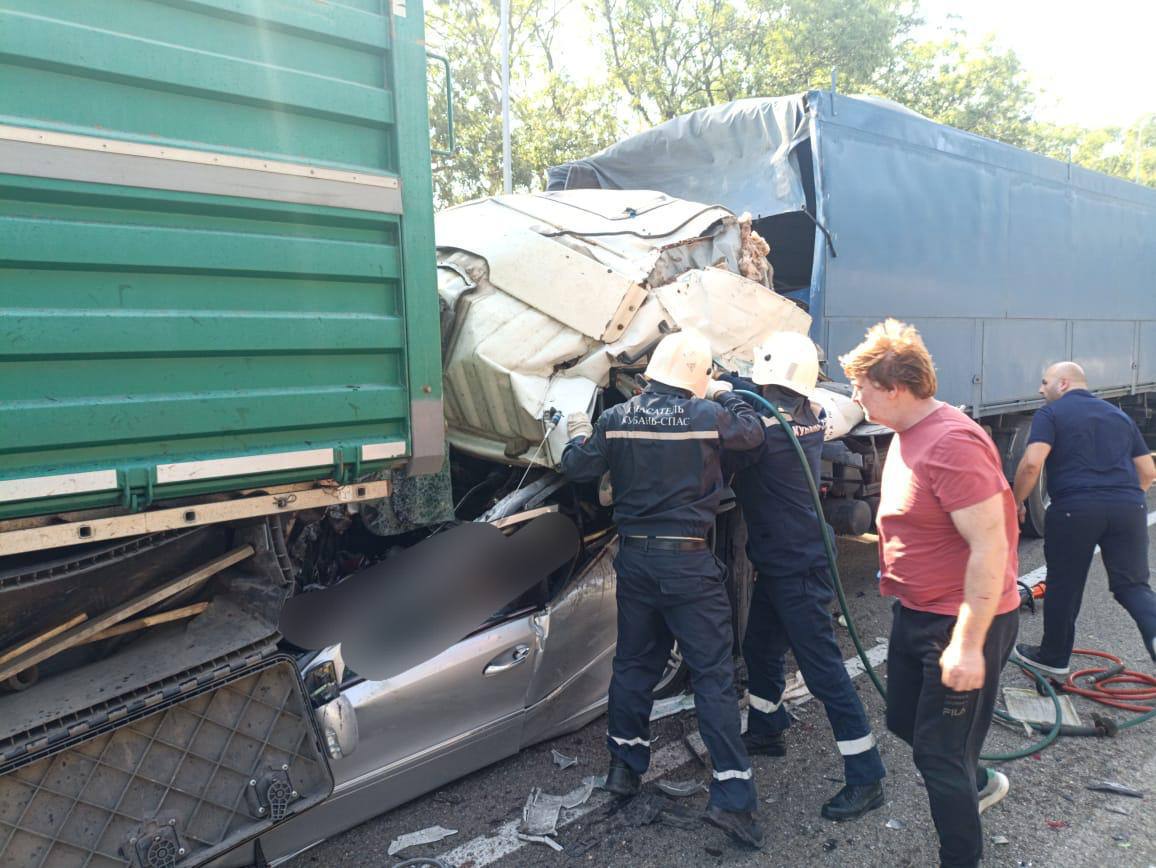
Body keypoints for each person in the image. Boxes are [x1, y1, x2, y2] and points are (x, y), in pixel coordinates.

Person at [560, 329, 766, 849]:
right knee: (713, 676)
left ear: (651, 374)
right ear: (695, 380)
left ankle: (624, 768)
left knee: (633, 664)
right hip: (688, 565)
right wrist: (725, 391)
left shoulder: (616, 417)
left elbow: (577, 465)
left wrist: (571, 427)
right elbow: (754, 435)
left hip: (635, 562)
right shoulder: (707, 416)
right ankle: (732, 801)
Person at [840, 319, 1020, 868]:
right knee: (904, 722)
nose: (855, 395)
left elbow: (992, 548)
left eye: (861, 387)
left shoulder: (951, 444)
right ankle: (981, 780)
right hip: (917, 613)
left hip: (957, 621)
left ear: (894, 388)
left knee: (939, 757)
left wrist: (967, 645)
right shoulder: (907, 433)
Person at [719, 332, 887, 822]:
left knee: (824, 671)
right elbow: (751, 395)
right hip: (784, 560)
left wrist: (711, 390)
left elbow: (735, 428)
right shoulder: (807, 414)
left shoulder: (766, 431)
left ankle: (866, 774)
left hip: (798, 566)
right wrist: (728, 380)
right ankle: (768, 727)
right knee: (759, 647)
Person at [1011, 362, 1156, 672]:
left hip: (1073, 509)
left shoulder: (1050, 415)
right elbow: (1148, 471)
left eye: (1044, 381)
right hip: (1128, 507)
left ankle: (1054, 658)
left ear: (1062, 384)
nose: (1040, 389)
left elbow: (1032, 464)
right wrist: (1124, 502)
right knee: (1132, 586)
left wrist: (1016, 501)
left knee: (1065, 583)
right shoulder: (1120, 416)